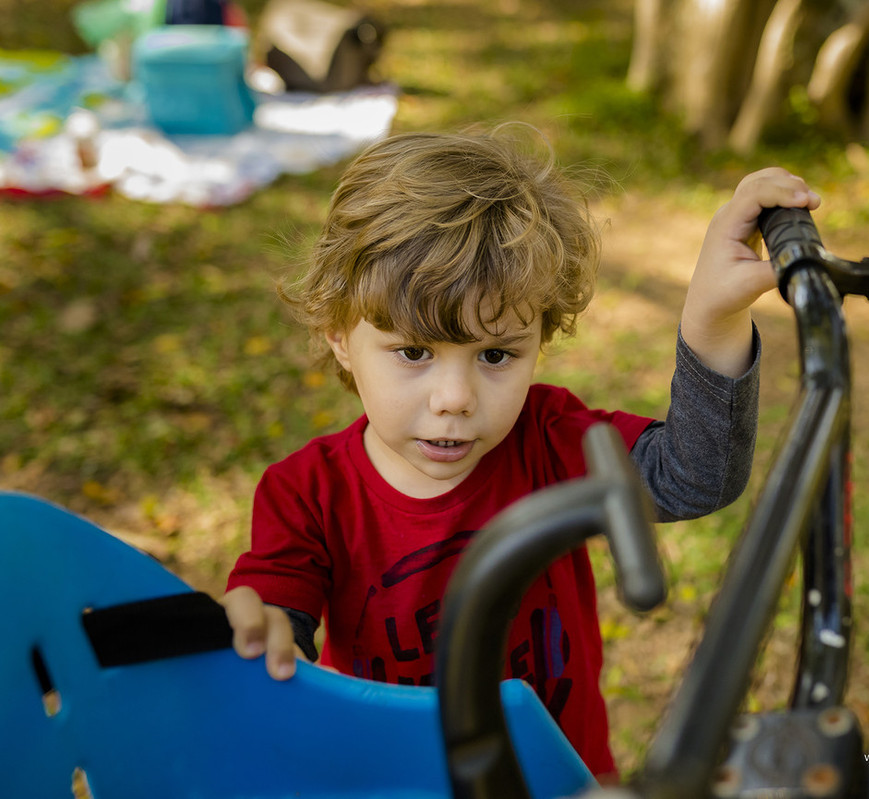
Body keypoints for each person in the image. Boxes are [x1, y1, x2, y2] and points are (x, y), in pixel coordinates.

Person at [221, 125, 821, 778]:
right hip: (395, 781)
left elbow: (693, 476)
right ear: (340, 335)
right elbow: (278, 613)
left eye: (496, 355)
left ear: (541, 339)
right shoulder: (305, 494)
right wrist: (263, 631)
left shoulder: (550, 441)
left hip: (557, 776)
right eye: (414, 352)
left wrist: (713, 318)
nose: (455, 398)